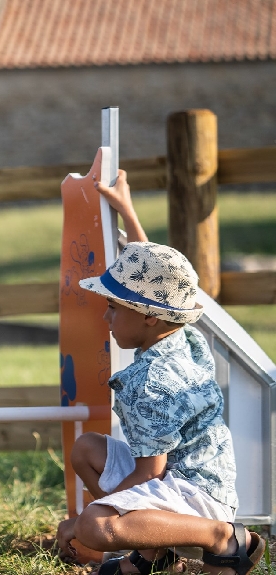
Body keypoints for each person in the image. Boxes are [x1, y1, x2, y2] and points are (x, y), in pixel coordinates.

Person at [55, 170, 267, 575]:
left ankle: (221, 539)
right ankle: (155, 551)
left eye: (115, 307)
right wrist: (127, 210)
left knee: (95, 525)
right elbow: (153, 269)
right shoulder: (181, 334)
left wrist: (86, 524)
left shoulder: (152, 383)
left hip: (196, 492)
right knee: (87, 450)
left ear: (150, 318)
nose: (107, 314)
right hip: (196, 472)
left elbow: (147, 474)